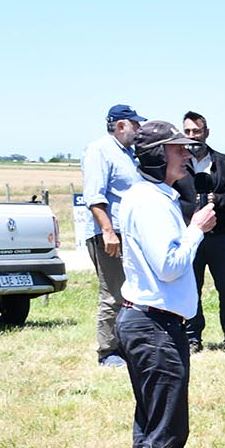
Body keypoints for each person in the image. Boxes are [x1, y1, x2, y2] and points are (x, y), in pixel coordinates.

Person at [112, 121, 217, 448]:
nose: (186, 155)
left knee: (153, 423)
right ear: (158, 156)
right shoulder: (151, 202)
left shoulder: (153, 197)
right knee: (168, 429)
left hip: (151, 324)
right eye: (178, 150)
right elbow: (169, 265)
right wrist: (197, 229)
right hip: (154, 328)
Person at [80, 104, 144, 367]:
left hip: (127, 232)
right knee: (113, 293)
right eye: (135, 125)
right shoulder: (99, 151)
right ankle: (108, 351)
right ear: (120, 126)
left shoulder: (128, 154)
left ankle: (126, 346)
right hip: (108, 233)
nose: (138, 130)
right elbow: (94, 197)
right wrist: (107, 231)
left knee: (130, 292)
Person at [178, 111, 225, 355]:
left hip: (220, 237)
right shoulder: (178, 163)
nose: (192, 136)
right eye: (187, 131)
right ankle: (192, 338)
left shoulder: (221, 161)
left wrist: (215, 199)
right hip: (190, 237)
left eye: (196, 131)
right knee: (190, 289)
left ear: (206, 132)